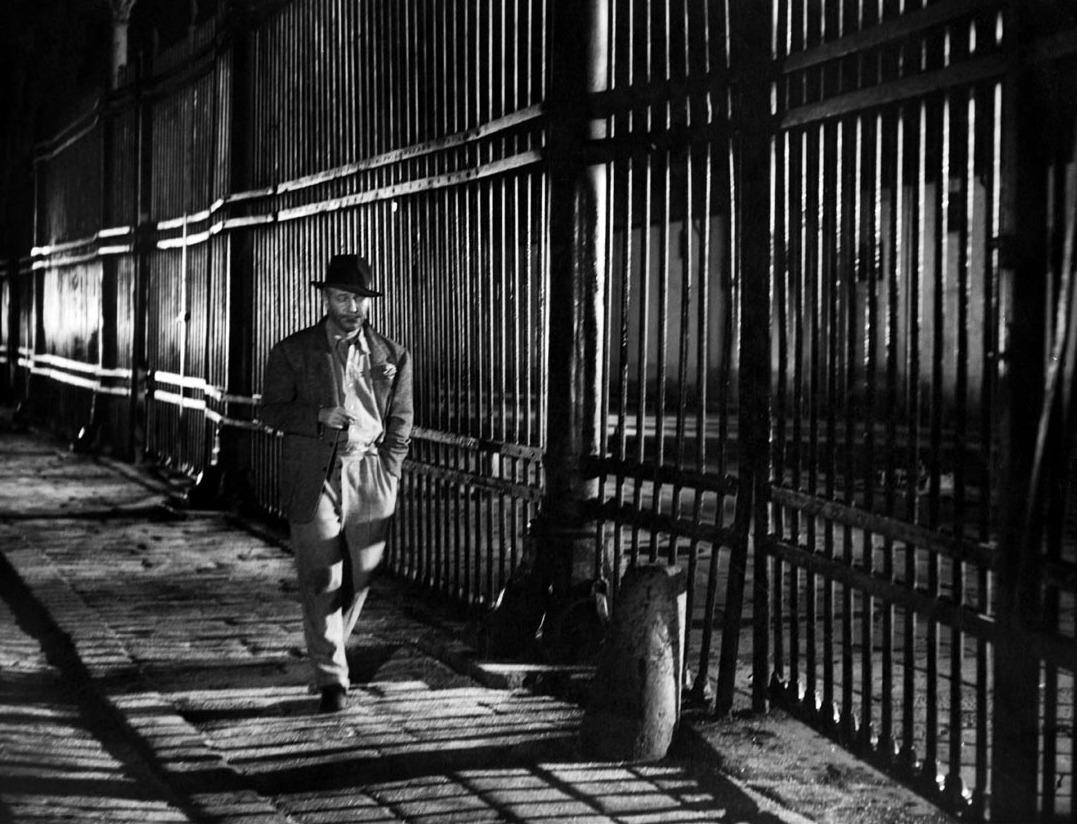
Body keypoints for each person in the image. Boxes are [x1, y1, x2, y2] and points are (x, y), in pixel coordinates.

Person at [260, 254, 413, 713]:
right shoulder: (293, 351)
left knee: (362, 574)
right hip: (316, 471)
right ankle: (332, 679)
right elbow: (270, 411)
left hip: (370, 471)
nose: (352, 308)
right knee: (322, 575)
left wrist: (390, 468)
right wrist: (316, 416)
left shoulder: (393, 356)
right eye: (343, 298)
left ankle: (332, 651)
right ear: (326, 298)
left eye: (360, 299)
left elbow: (401, 420)